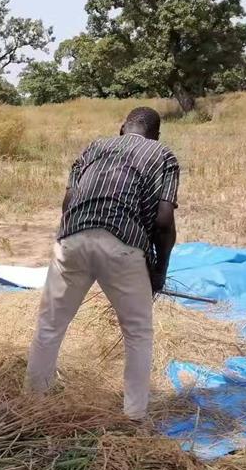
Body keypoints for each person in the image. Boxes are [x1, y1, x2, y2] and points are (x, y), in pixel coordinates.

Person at [25, 106, 178, 420]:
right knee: (137, 333)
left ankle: (33, 405)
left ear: (122, 128)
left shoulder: (93, 147)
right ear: (156, 134)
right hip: (122, 244)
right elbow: (164, 220)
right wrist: (159, 270)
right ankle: (134, 418)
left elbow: (68, 202)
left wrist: (72, 238)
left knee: (50, 326)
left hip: (72, 239)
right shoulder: (163, 155)